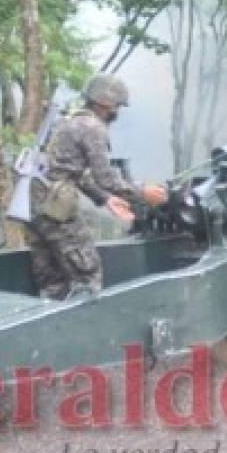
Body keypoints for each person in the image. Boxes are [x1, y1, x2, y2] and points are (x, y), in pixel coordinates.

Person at [25, 73, 168, 299]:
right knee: (86, 272)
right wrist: (143, 194)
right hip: (56, 207)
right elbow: (107, 178)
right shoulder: (93, 127)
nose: (117, 112)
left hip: (34, 203)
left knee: (51, 275)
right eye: (117, 106)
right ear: (105, 102)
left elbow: (71, 171)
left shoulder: (67, 121)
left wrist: (105, 198)